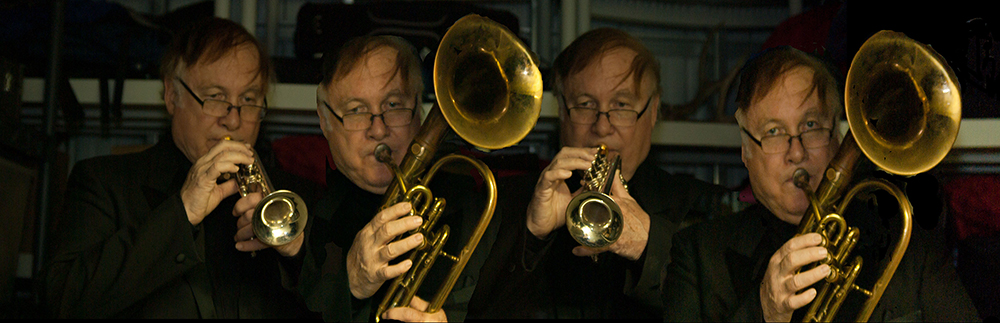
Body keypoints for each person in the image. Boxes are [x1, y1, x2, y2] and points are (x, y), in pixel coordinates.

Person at [660, 46, 979, 322]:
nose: (796, 152)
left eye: (811, 125)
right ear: (746, 150)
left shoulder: (907, 244)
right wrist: (764, 312)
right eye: (773, 132)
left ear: (837, 136)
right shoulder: (698, 256)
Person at [41, 17, 317, 319]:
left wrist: (297, 253)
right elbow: (62, 301)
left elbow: (339, 307)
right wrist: (181, 213)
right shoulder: (103, 182)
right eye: (215, 97)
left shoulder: (296, 198)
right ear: (172, 96)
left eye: (248, 99)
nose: (233, 120)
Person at [467, 27, 732, 319]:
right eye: (585, 104)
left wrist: (647, 244)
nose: (602, 127)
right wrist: (531, 240)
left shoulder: (704, 208)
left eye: (621, 105)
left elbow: (726, 309)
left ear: (653, 111)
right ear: (562, 112)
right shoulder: (503, 201)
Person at [297, 35, 493, 322]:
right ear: (325, 121)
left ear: (419, 109)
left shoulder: (475, 213)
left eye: (393, 104)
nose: (378, 130)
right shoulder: (301, 228)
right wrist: (349, 286)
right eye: (356, 110)